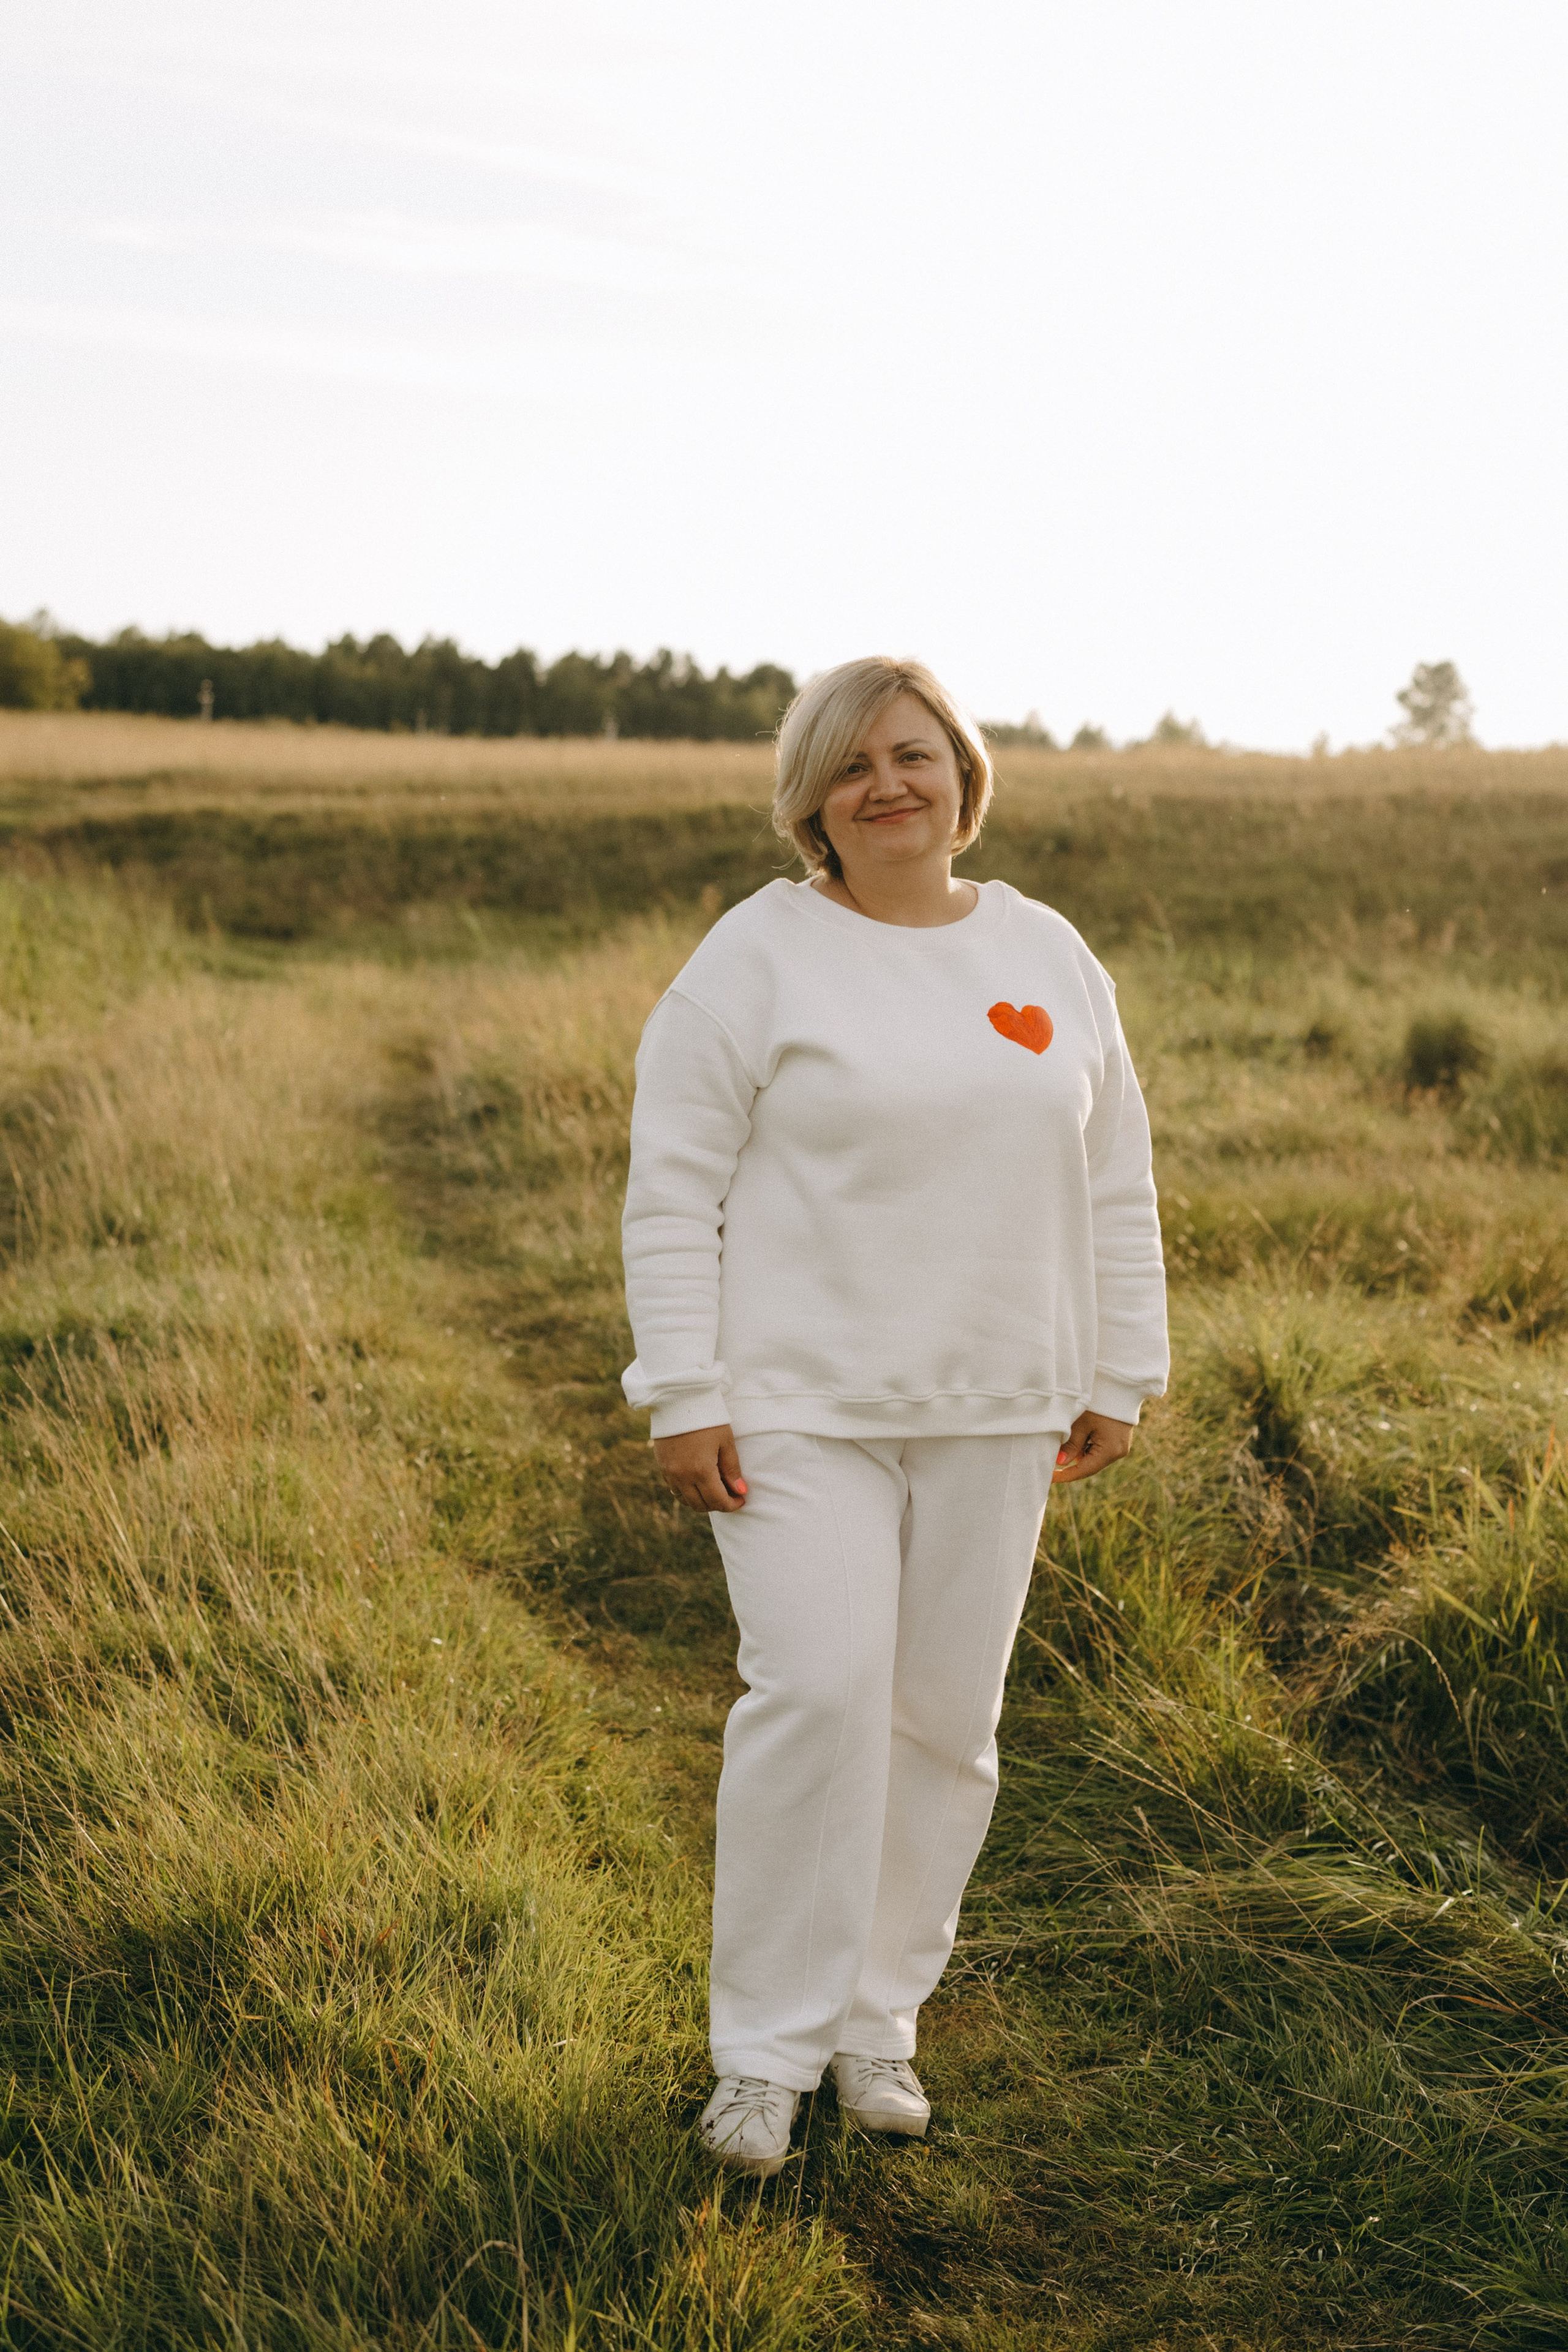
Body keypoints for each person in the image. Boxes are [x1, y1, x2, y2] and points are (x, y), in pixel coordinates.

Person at [620, 657, 1168, 2176]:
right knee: (818, 1691)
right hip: (796, 1402)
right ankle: (761, 2056)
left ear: (962, 776)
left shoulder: (1047, 953)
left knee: (942, 1724)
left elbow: (1113, 1175)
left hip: (999, 1401)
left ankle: (876, 2024)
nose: (887, 786)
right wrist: (681, 1390)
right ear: (811, 799)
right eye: (851, 765)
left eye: (913, 755)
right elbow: (671, 1185)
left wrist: (1119, 1368)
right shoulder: (757, 954)